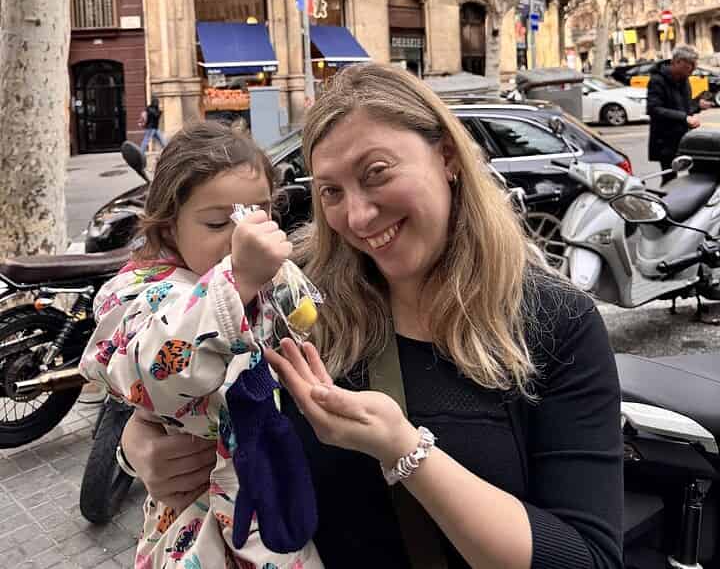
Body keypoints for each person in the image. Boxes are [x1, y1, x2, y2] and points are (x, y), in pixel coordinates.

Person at [120, 63, 623, 569]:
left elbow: (588, 556)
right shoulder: (292, 293)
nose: (357, 217)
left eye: (376, 173)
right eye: (332, 192)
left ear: (447, 155)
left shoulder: (554, 319)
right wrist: (138, 444)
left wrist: (404, 450)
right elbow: (166, 369)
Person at [80, 121, 323, 569]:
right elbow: (149, 368)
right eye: (218, 222)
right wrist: (238, 282)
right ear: (169, 228)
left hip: (275, 509)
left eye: (258, 213)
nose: (243, 235)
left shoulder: (275, 279)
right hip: (197, 525)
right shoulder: (139, 291)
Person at [647, 44, 711, 172]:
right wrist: (685, 118)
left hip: (683, 138)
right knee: (669, 177)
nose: (693, 70)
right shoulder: (657, 80)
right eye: (690, 66)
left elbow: (683, 108)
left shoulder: (684, 80)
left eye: (694, 66)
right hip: (664, 140)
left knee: (694, 172)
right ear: (677, 62)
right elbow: (653, 109)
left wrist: (698, 105)